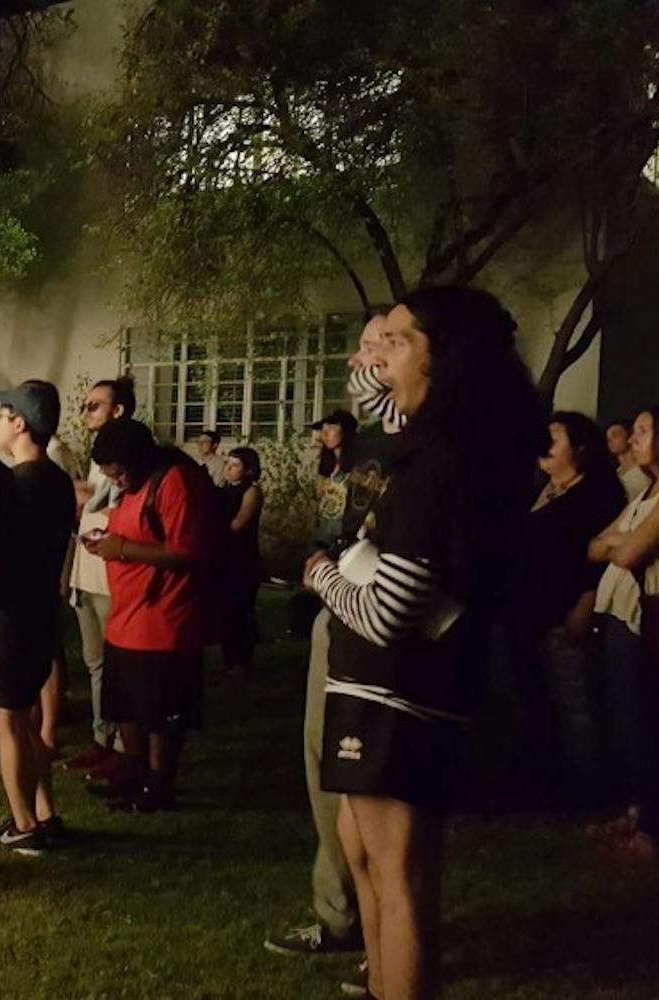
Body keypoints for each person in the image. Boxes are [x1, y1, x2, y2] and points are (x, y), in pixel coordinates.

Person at [304, 287, 542, 1000]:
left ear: (447, 364)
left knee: (399, 874)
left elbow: (384, 615)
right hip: (380, 688)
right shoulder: (427, 448)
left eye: (398, 342)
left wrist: (322, 576)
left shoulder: (436, 468)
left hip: (398, 690)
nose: (376, 359)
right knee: (369, 857)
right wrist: (381, 356)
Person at [267, 314, 396, 960]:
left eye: (375, 347)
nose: (357, 360)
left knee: (369, 789)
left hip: (380, 628)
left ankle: (379, 941)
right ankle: (344, 913)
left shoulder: (424, 452)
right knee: (327, 767)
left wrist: (335, 576)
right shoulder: (374, 449)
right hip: (340, 611)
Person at [83, 418, 216, 813]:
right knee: (124, 705)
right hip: (126, 616)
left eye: (119, 471)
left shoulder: (173, 481)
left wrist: (121, 548)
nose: (115, 479)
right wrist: (106, 540)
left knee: (159, 713)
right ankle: (134, 775)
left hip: (162, 620)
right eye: (109, 473)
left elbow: (186, 550)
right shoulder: (131, 488)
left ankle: (160, 785)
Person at [495, 413, 624, 803]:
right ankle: (540, 776)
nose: (543, 446)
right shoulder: (543, 489)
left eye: (553, 438)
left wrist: (586, 604)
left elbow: (601, 560)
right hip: (526, 611)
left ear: (580, 449)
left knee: (574, 698)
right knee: (533, 696)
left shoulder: (599, 495)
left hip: (564, 610)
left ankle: (586, 787)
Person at [0, 380, 77, 853]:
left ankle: (24, 825)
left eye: (1, 415)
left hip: (10, 616)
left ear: (19, 424)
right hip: (40, 614)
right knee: (28, 721)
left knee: (10, 725)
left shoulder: (23, 486)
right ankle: (43, 812)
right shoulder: (55, 480)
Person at [589, 407, 659, 854]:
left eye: (643, 431)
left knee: (648, 715)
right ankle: (637, 809)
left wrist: (621, 542)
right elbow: (594, 546)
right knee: (626, 714)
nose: (633, 439)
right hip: (622, 613)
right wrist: (621, 542)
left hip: (652, 616)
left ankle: (653, 822)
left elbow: (623, 552)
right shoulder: (646, 493)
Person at [63, 376, 136, 775]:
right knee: (95, 662)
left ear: (118, 410)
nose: (85, 411)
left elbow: (112, 512)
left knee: (118, 662)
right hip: (86, 571)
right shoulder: (95, 456)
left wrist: (83, 505)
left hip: (112, 574)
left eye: (94, 405)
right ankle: (101, 739)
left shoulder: (130, 457)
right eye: (85, 404)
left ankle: (126, 745)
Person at [219, 446, 264, 679]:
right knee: (226, 611)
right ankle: (229, 659)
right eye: (227, 463)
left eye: (234, 465)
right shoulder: (223, 491)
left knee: (241, 610)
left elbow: (238, 523)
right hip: (223, 558)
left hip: (242, 559)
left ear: (248, 470)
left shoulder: (251, 492)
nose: (228, 468)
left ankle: (242, 661)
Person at [312, 411, 358, 553]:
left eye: (331, 428)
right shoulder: (327, 466)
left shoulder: (359, 465)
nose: (325, 434)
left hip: (348, 537)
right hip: (324, 535)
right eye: (323, 430)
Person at [606, 417, 651, 503]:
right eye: (608, 437)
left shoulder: (644, 472)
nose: (610, 439)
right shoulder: (615, 473)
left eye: (615, 434)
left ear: (629, 435)